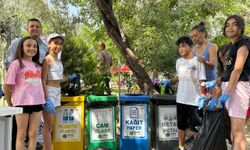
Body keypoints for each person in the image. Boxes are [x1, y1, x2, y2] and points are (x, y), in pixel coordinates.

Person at [209, 15, 250, 150]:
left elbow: (238, 70)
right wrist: (215, 82)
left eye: (234, 24)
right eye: (227, 25)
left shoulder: (243, 43)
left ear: (241, 27)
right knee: (234, 133)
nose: (230, 27)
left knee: (238, 133)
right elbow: (228, 72)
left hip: (238, 88)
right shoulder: (230, 47)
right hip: (231, 87)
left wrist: (227, 92)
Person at [5, 18, 47, 150]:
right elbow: (7, 85)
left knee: (33, 133)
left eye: (34, 46)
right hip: (21, 103)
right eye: (28, 46)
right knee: (21, 134)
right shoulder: (16, 63)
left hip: (37, 103)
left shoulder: (37, 66)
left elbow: (40, 83)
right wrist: (10, 103)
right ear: (22, 48)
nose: (32, 48)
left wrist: (44, 99)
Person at [161, 36, 206, 150]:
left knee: (196, 126)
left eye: (183, 46)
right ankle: (181, 147)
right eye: (179, 47)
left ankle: (198, 147)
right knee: (181, 125)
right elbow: (178, 76)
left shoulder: (198, 61)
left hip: (195, 100)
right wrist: (169, 81)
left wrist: (204, 96)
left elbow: (202, 80)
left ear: (191, 48)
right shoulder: (179, 62)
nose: (181, 49)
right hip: (181, 98)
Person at [42, 33, 77, 150]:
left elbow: (59, 78)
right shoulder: (47, 59)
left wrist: (70, 77)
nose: (59, 46)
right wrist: (46, 98)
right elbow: (43, 79)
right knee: (48, 126)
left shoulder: (58, 60)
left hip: (57, 92)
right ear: (49, 44)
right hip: (49, 93)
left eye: (60, 44)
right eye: (56, 43)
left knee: (52, 126)